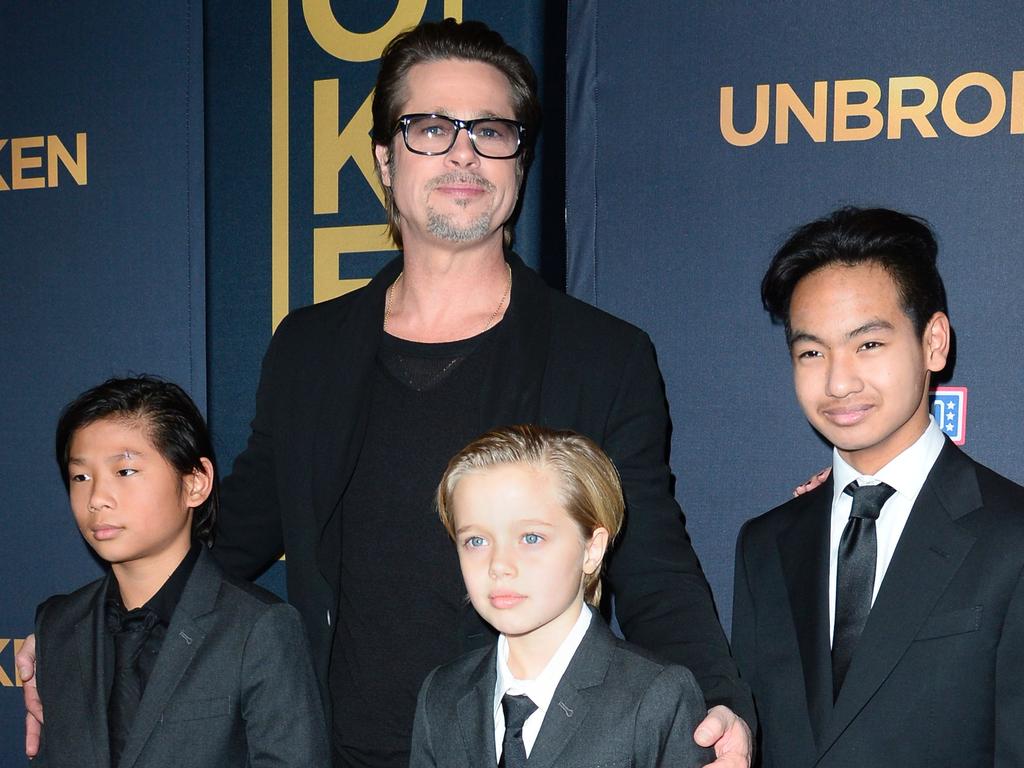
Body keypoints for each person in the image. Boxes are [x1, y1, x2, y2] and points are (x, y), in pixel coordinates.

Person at [21, 19, 752, 767]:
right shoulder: (308, 348)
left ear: (519, 162)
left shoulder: (601, 355)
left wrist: (719, 699)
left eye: (491, 130)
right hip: (320, 744)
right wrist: (82, 641)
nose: (464, 151)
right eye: (430, 127)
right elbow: (227, 542)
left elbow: (651, 560)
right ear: (384, 159)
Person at [732, 207, 1024, 766]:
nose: (839, 381)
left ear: (934, 343)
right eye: (812, 352)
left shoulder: (1011, 537)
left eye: (868, 345)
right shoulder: (764, 545)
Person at [32, 376, 329, 767]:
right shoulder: (59, 624)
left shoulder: (258, 629)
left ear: (195, 483)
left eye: (124, 472)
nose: (97, 498)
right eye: (80, 477)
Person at [411, 425, 715, 767]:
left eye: (530, 538)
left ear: (592, 548)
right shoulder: (441, 695)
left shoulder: (656, 697)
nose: (499, 565)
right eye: (476, 541)